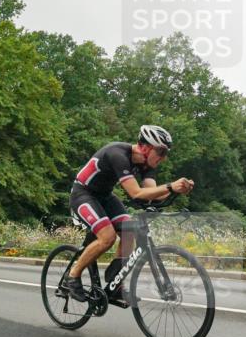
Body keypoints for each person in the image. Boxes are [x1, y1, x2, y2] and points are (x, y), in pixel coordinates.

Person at [62, 125, 194, 304]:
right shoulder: (118, 155)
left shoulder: (147, 164)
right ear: (145, 147)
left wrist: (177, 190)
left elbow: (151, 194)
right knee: (107, 238)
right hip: (83, 194)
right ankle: (73, 276)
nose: (163, 158)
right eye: (161, 152)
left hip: (105, 196)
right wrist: (171, 186)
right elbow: (136, 193)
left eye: (166, 153)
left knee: (129, 230)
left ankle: (115, 284)